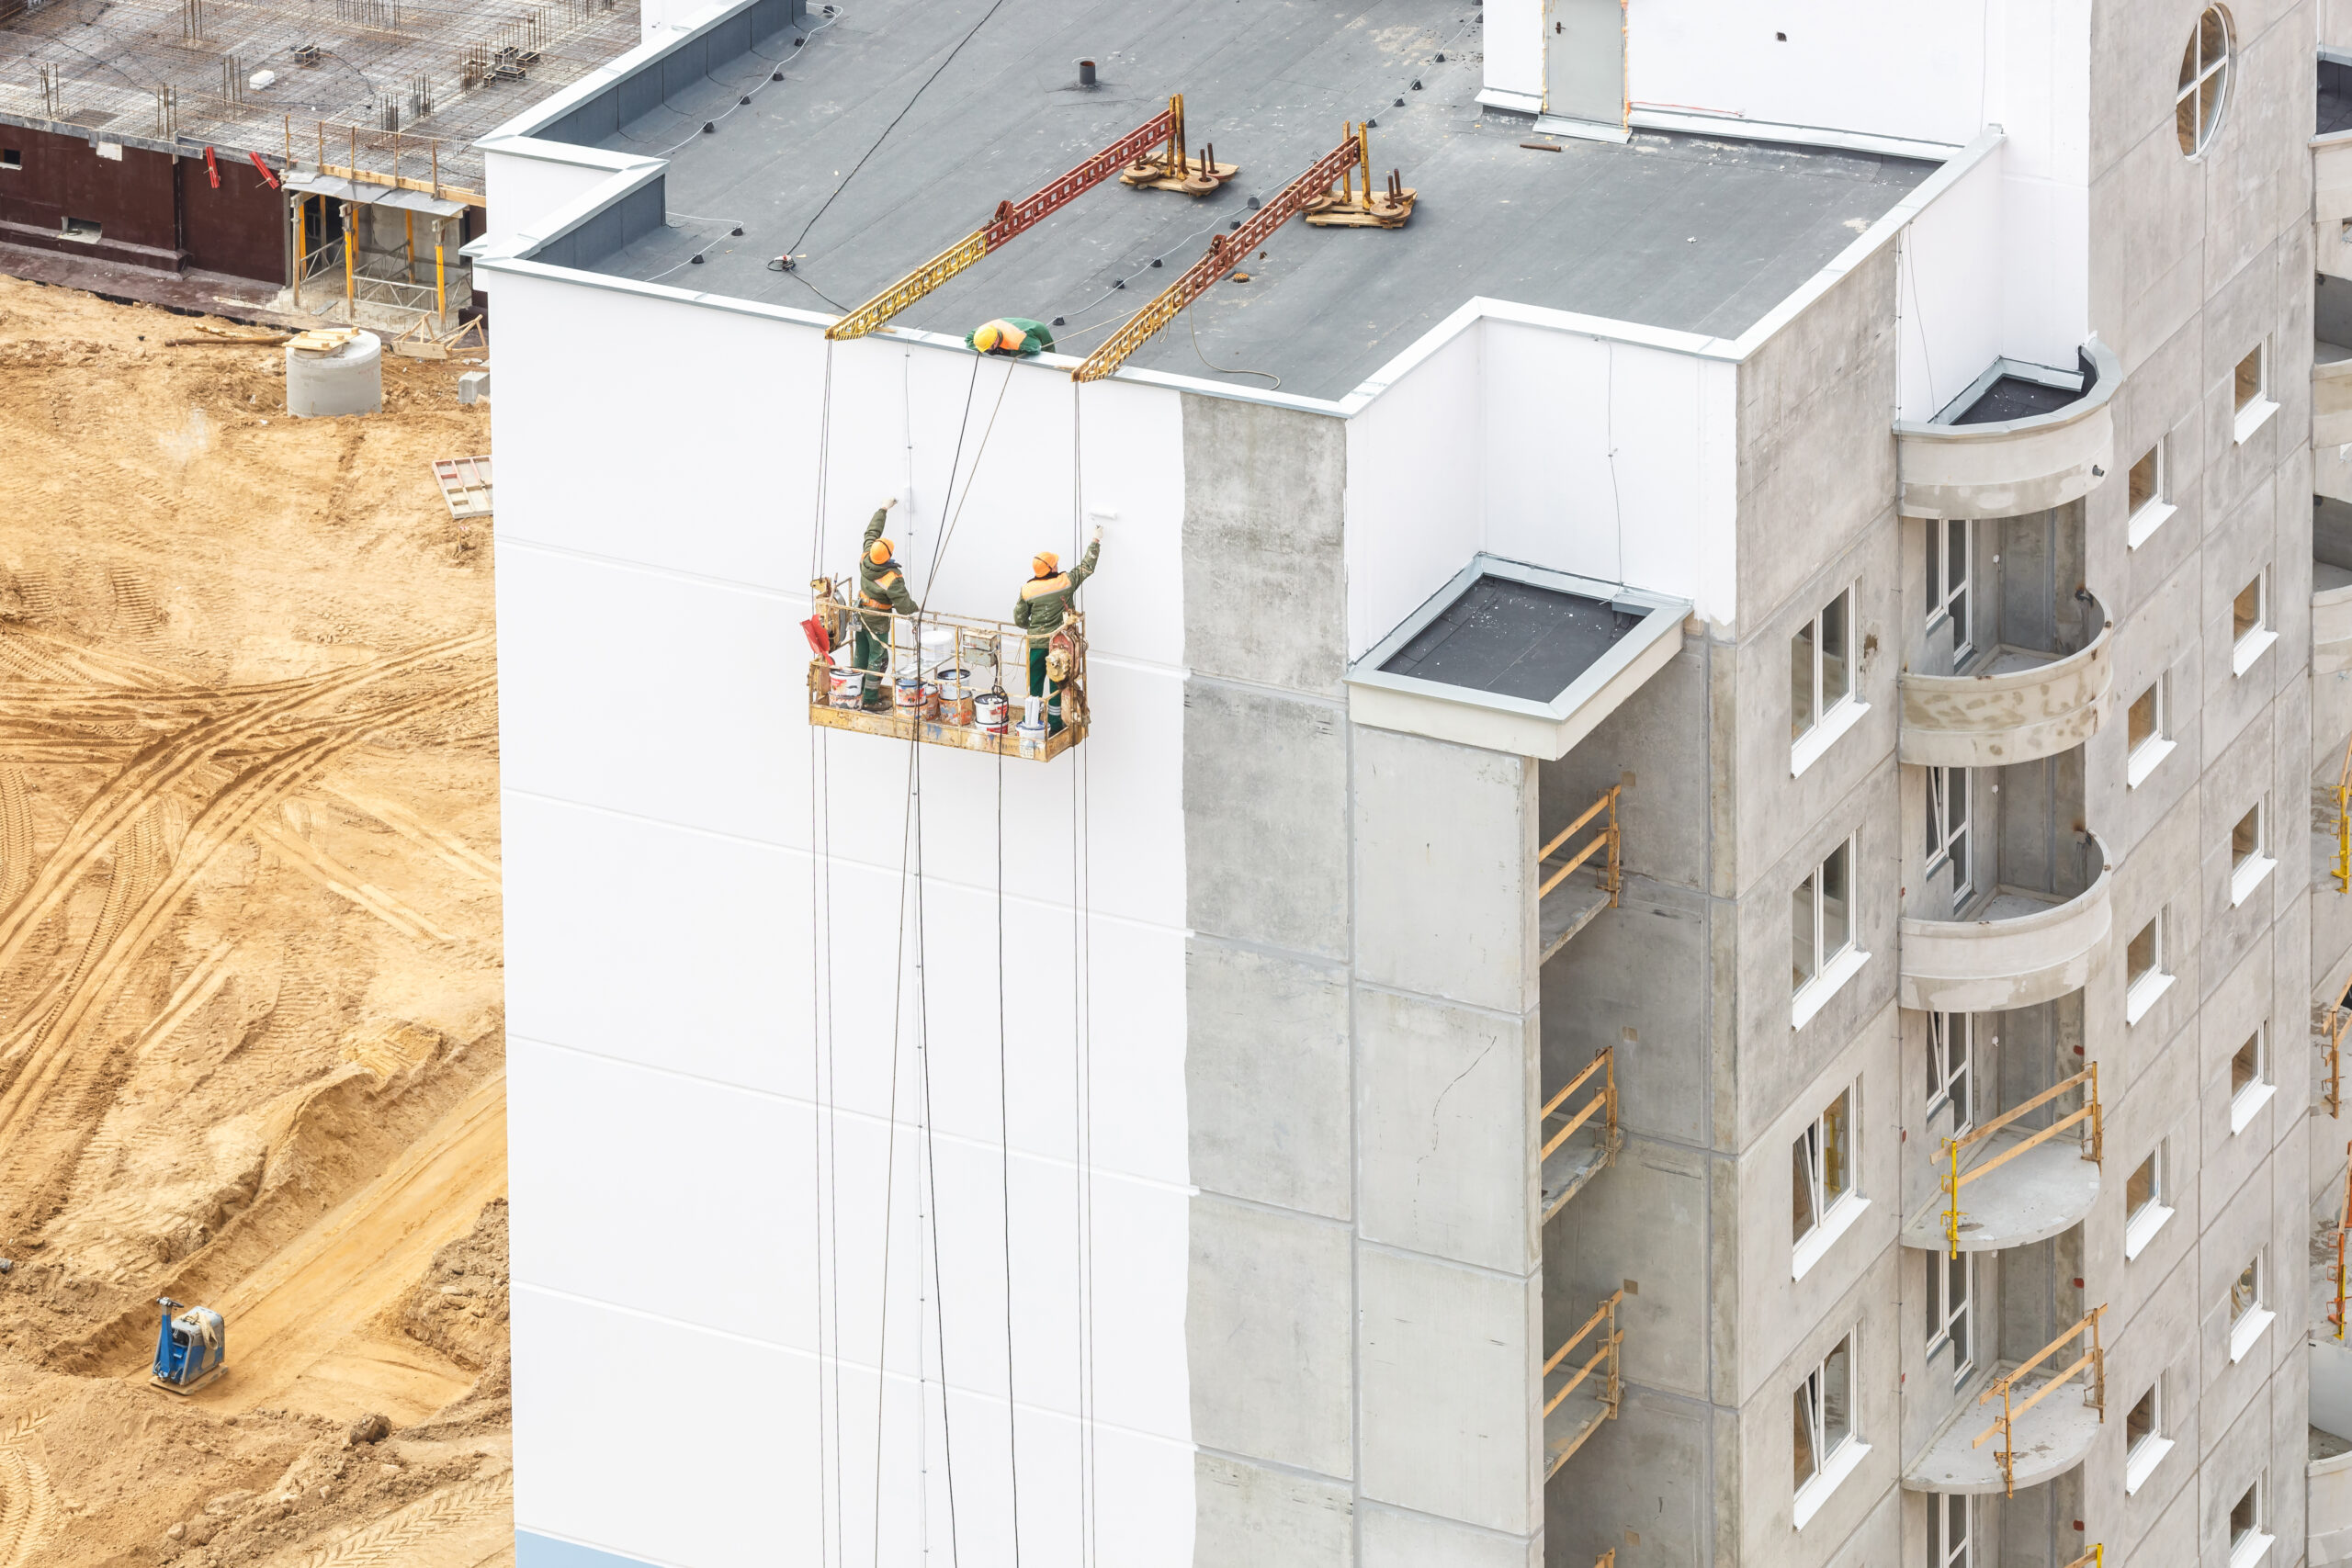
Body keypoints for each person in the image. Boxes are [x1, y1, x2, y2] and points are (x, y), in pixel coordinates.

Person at [1012, 525, 1101, 735]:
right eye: (1056, 563)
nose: (1058, 564)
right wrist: (1096, 541)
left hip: (1035, 644)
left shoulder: (1027, 589)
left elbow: (1019, 618)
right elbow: (1087, 567)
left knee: (1033, 685)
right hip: (1058, 646)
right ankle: (1055, 723)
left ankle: (1030, 721)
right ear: (1051, 568)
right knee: (1056, 683)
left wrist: (1032, 629)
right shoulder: (1065, 582)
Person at [855, 499, 916, 710]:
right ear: (888, 556)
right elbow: (903, 605)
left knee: (861, 652)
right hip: (877, 620)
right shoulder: (891, 577)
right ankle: (870, 699)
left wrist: (883, 509)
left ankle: (855, 693)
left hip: (860, 612)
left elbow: (871, 533)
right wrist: (915, 609)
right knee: (877, 657)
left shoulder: (866, 558)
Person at [967, 317, 1056, 357]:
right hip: (1019, 328)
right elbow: (968, 339)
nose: (989, 350)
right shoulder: (985, 330)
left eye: (989, 348)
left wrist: (1009, 353)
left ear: (995, 341)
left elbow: (1036, 349)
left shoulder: (1017, 340)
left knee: (1048, 357)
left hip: (1039, 331)